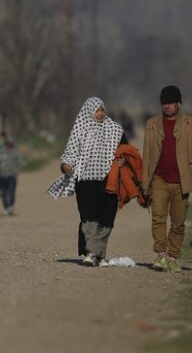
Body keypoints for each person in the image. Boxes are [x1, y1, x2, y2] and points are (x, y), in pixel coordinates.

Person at [56, 97, 126, 267]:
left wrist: (123, 159)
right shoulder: (80, 129)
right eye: (97, 110)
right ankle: (91, 253)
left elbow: (125, 150)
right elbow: (70, 153)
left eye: (102, 110)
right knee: (89, 218)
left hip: (108, 181)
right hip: (85, 182)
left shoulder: (115, 129)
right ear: (90, 111)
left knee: (107, 218)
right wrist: (66, 165)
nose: (101, 113)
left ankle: (100, 255)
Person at [142, 85, 192, 272]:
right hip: (159, 179)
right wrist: (145, 183)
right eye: (164, 103)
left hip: (181, 180)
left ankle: (174, 255)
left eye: (171, 102)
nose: (167, 106)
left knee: (178, 222)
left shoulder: (190, 123)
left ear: (179, 104)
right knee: (158, 218)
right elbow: (147, 154)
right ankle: (161, 255)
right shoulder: (152, 124)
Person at [0, 139, 22, 215]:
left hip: (12, 176)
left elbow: (19, 163)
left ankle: (11, 206)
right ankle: (6, 207)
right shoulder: (0, 152)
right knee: (4, 193)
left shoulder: (15, 152)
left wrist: (16, 172)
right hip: (2, 176)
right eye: (8, 143)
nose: (9, 144)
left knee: (12, 192)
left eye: (10, 143)